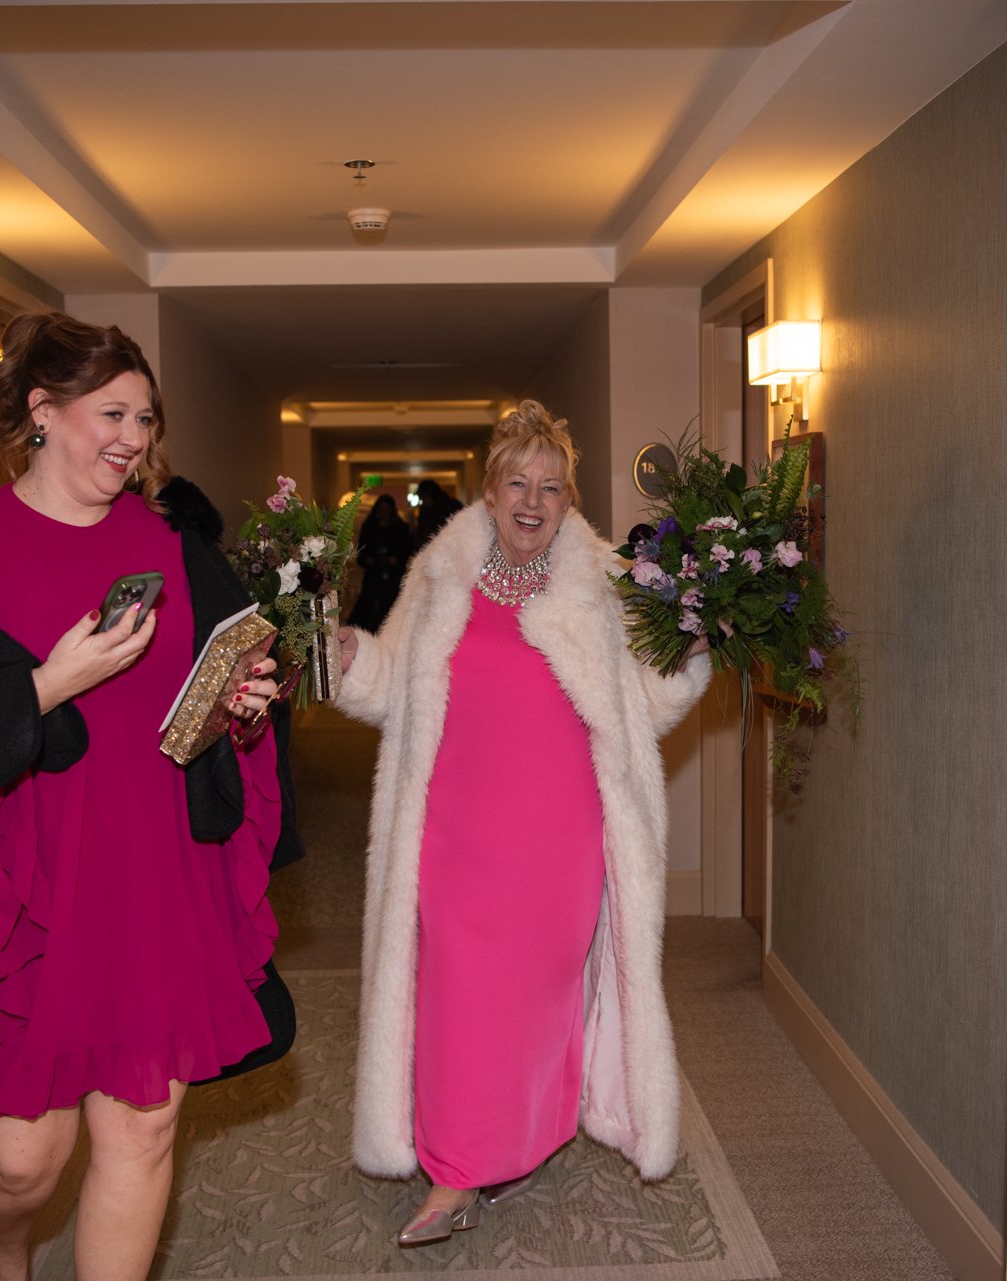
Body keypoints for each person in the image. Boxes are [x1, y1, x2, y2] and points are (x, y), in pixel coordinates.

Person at [0, 312, 300, 1281]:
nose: (133, 438)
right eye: (112, 413)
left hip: (152, 872)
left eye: (145, 417)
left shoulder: (173, 548)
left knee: (144, 1127)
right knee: (20, 1160)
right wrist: (48, 685)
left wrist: (245, 706)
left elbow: (215, 698)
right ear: (42, 411)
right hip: (24, 890)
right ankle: (5, 1251)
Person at [331, 401, 711, 1246]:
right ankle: (455, 1171)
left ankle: (522, 1138)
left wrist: (685, 657)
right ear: (490, 491)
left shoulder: (605, 585)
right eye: (517, 483)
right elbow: (394, 685)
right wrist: (355, 658)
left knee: (535, 1005)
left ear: (570, 498)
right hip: (453, 834)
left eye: (551, 486)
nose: (533, 502)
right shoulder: (440, 573)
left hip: (557, 845)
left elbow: (646, 705)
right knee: (457, 997)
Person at [344, 493, 414, 632]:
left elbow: (408, 553)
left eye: (386, 510)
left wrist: (396, 560)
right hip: (373, 578)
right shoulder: (369, 527)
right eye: (381, 510)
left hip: (393, 579)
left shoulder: (401, 529)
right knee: (366, 612)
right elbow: (361, 554)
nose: (384, 513)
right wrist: (368, 560)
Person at [412, 477, 463, 549]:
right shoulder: (424, 511)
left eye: (423, 497)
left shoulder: (451, 507)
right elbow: (421, 536)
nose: (423, 501)